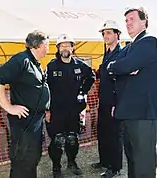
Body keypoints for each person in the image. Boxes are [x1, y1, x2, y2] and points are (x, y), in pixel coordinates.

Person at [107, 7, 157, 178]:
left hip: (145, 113)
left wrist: (122, 67)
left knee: (143, 165)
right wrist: (120, 67)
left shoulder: (149, 40)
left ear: (144, 21)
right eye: (126, 20)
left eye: (131, 19)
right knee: (132, 161)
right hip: (130, 112)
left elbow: (123, 66)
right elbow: (111, 65)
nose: (128, 23)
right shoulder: (130, 46)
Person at [0, 30, 50, 178]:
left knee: (32, 157)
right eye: (47, 44)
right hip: (24, 122)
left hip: (35, 119)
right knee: (23, 158)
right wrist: (8, 107)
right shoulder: (21, 60)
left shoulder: (34, 62)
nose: (48, 48)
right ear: (40, 45)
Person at [45, 33, 95, 178]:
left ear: (72, 48)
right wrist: (46, 110)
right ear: (58, 48)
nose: (65, 48)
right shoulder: (51, 66)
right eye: (62, 45)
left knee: (72, 140)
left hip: (74, 111)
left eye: (68, 45)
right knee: (58, 140)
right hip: (56, 112)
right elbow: (45, 89)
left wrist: (82, 91)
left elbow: (91, 76)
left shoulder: (79, 65)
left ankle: (72, 162)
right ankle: (56, 167)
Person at [90, 20, 122, 178]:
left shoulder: (121, 54)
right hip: (103, 100)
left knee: (114, 135)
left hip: (114, 102)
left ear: (117, 34)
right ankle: (104, 161)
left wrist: (117, 103)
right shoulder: (107, 52)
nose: (105, 36)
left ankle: (114, 167)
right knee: (102, 132)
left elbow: (122, 81)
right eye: (104, 33)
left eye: (109, 32)